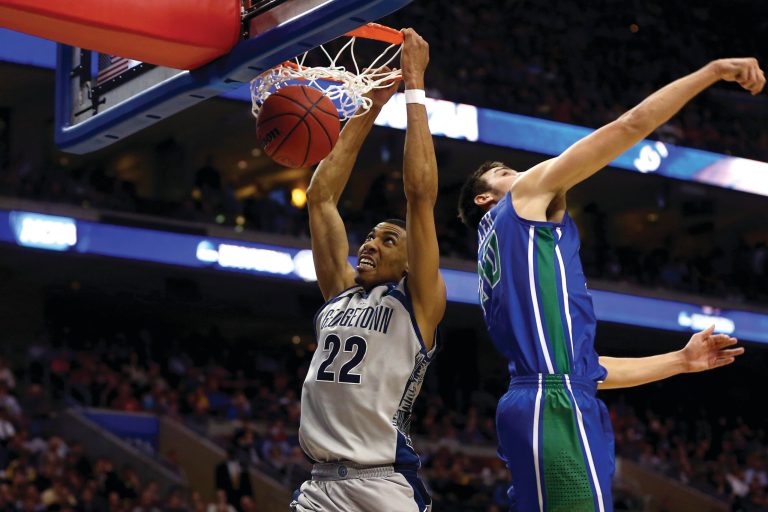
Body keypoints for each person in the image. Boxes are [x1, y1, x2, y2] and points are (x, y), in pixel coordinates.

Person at [457, 58, 763, 511]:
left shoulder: (504, 249)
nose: (519, 172)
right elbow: (631, 125)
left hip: (545, 396)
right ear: (485, 198)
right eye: (503, 172)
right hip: (553, 405)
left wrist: (680, 360)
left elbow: (587, 372)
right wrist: (713, 72)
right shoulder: (521, 202)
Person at [290, 28, 445, 512]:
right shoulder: (339, 291)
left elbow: (420, 195)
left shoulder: (416, 302)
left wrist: (414, 84)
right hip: (319, 484)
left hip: (382, 484)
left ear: (408, 260)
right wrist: (370, 107)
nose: (371, 244)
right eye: (372, 235)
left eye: (388, 239)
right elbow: (320, 198)